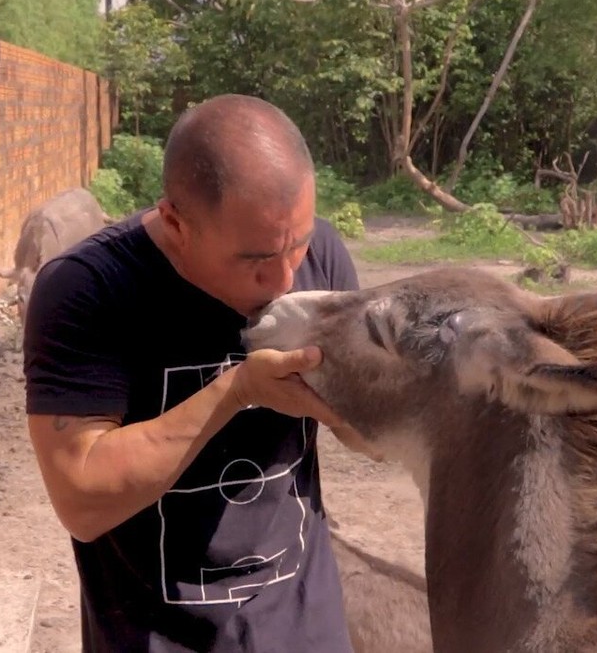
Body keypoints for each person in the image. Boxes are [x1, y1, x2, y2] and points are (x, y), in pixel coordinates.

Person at [23, 94, 362, 652]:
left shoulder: (320, 253)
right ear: (176, 223)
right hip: (157, 638)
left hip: (306, 629)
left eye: (295, 246)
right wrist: (237, 391)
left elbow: (363, 431)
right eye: (254, 261)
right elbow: (82, 497)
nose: (283, 281)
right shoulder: (88, 291)